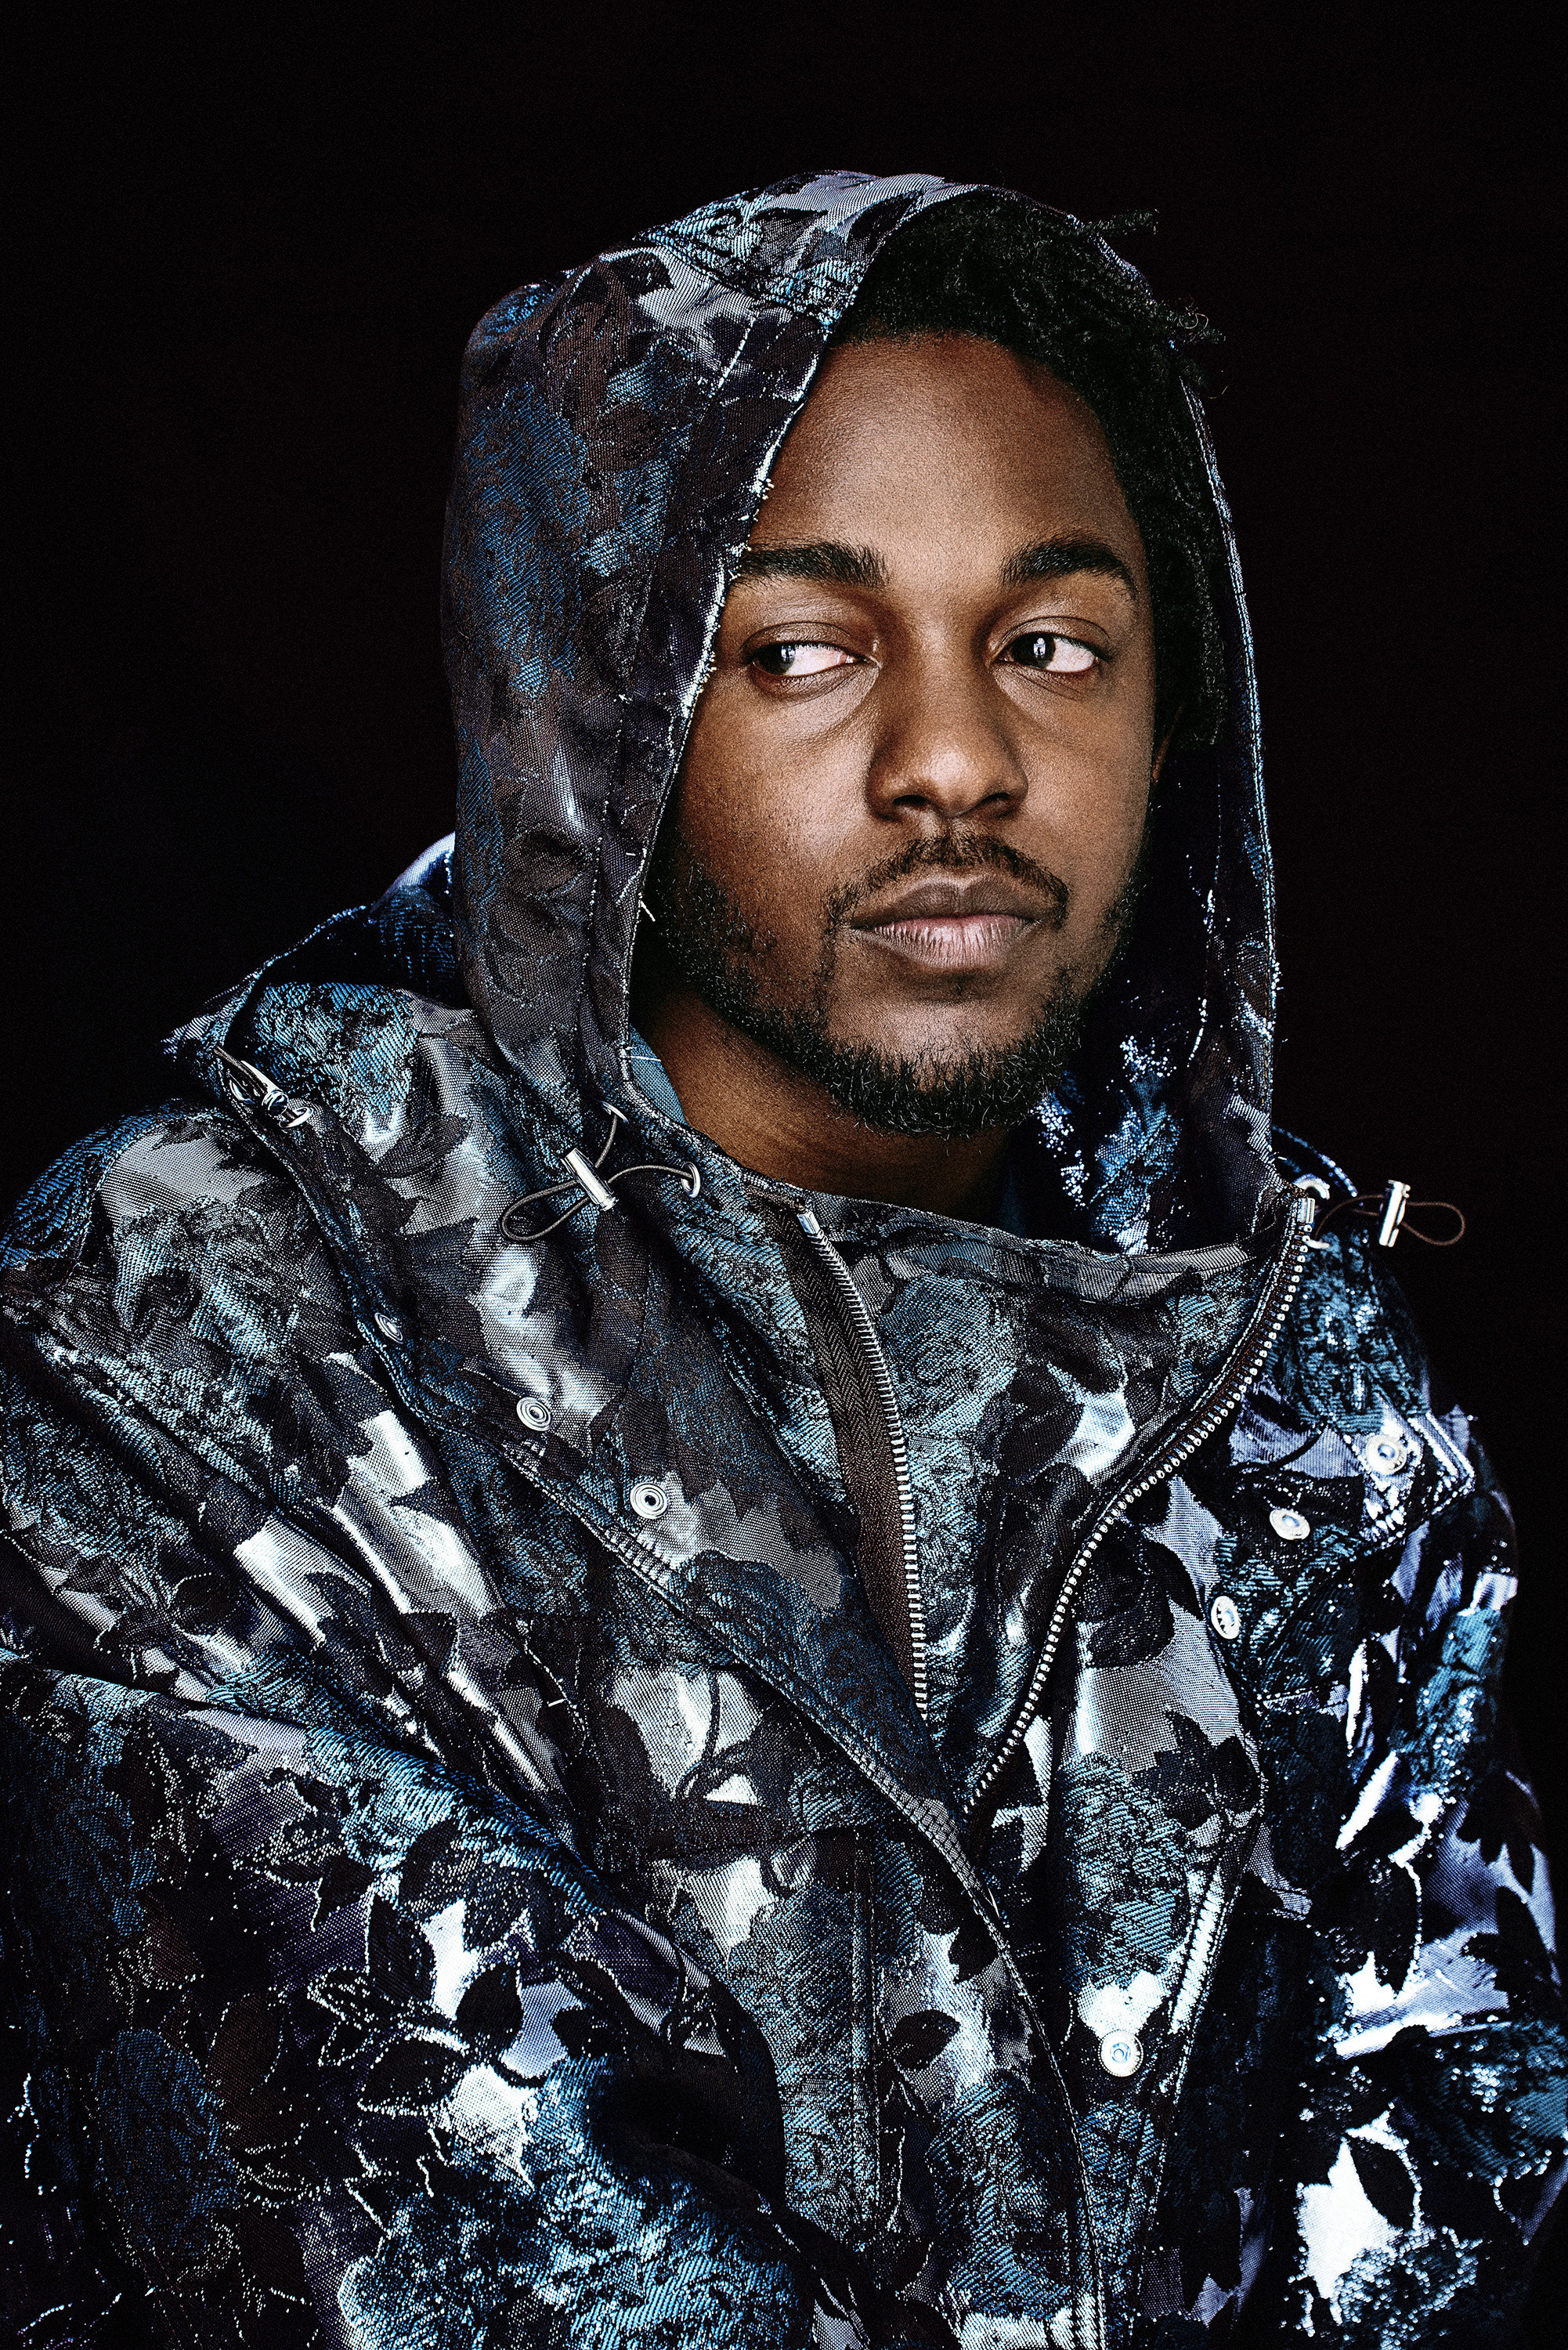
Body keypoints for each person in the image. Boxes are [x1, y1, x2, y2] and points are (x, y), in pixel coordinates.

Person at [1, 170, 1560, 2348]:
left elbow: (1453, 2158)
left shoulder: (1299, 1362)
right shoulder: (190, 1333)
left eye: (1051, 645)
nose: (957, 764)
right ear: (587, 714)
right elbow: (459, 2265)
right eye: (803, 652)